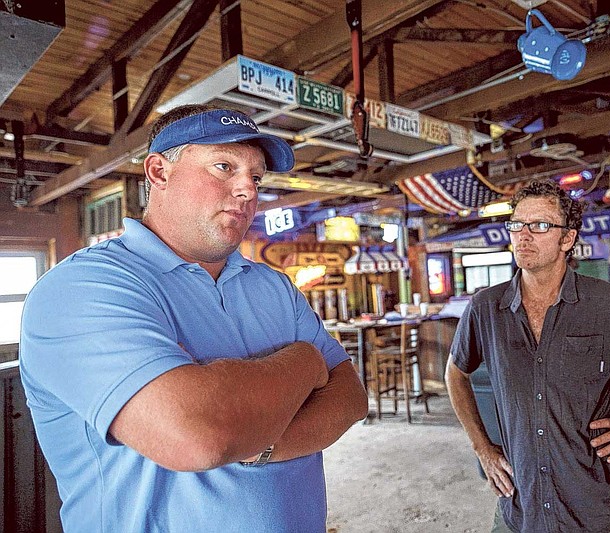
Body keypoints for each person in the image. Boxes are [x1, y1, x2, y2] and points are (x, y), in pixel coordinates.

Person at [19, 104, 368, 532]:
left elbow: (351, 397)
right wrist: (306, 362)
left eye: (256, 177)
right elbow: (199, 435)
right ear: (159, 172)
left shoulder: (274, 286)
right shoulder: (81, 287)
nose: (247, 190)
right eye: (224, 166)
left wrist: (257, 442)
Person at [445, 180, 610, 533]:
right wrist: (483, 449)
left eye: (539, 226)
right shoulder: (485, 308)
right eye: (517, 224)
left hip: (599, 506)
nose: (523, 235)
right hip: (521, 505)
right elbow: (455, 374)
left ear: (567, 239)